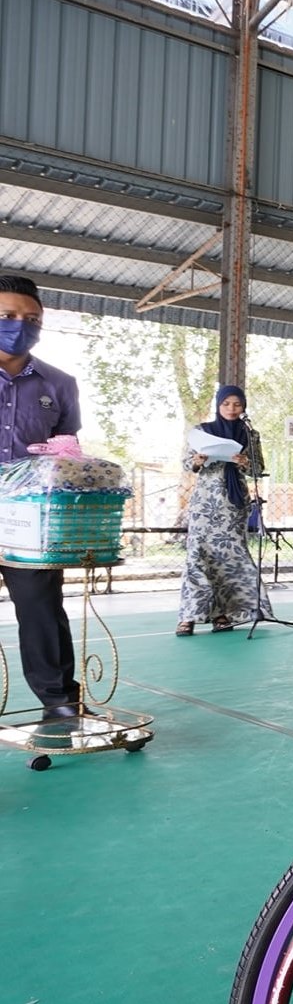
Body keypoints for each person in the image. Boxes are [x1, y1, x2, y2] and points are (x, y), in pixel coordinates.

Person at [0, 275, 83, 721]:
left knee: (41, 607)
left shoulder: (59, 384)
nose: (19, 325)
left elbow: (67, 453)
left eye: (30, 319)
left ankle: (59, 700)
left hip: (29, 519)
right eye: (7, 316)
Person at [176, 385, 272, 634]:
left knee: (228, 559)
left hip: (234, 504)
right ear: (218, 405)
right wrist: (197, 461)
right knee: (198, 556)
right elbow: (187, 463)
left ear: (244, 406)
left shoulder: (250, 434)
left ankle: (223, 614)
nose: (232, 409)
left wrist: (245, 462)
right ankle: (189, 616)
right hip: (206, 503)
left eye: (237, 404)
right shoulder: (202, 431)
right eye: (226, 404)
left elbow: (258, 468)